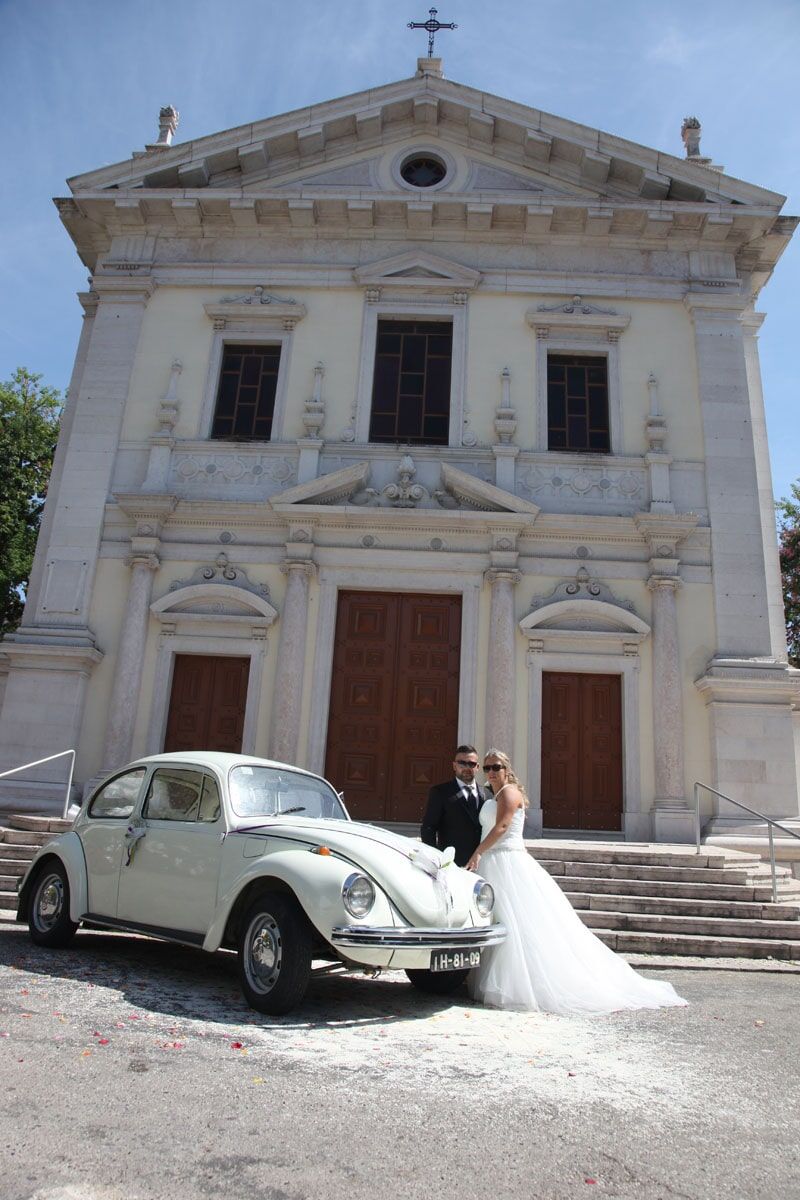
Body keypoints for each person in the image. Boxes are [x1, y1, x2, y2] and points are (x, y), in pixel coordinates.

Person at [466, 749, 688, 1015]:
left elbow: (502, 827)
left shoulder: (509, 793)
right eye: (487, 768)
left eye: (496, 767)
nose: (491, 772)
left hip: (507, 863)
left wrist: (478, 851)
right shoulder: (496, 794)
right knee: (503, 922)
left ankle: (522, 986)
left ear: (507, 769)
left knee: (517, 924)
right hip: (495, 863)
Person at [420, 745, 486, 868]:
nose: (467, 767)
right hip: (452, 863)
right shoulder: (440, 792)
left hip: (483, 861)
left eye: (471, 764)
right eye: (462, 763)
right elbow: (428, 828)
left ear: (477, 767)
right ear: (454, 766)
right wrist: (435, 858)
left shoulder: (487, 793)